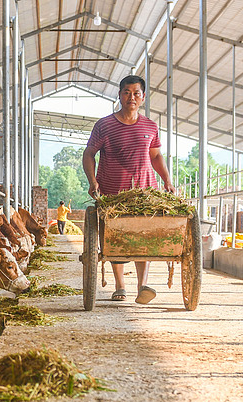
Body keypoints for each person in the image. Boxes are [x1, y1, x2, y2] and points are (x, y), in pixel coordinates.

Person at [83, 75, 176, 304]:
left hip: (145, 192)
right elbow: (88, 154)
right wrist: (92, 180)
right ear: (119, 95)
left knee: (144, 236)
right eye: (126, 92)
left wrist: (167, 180)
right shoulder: (104, 125)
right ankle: (120, 285)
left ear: (143, 97)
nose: (131, 97)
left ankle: (142, 285)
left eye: (136, 93)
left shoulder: (150, 126)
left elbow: (155, 156)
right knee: (116, 237)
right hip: (114, 194)